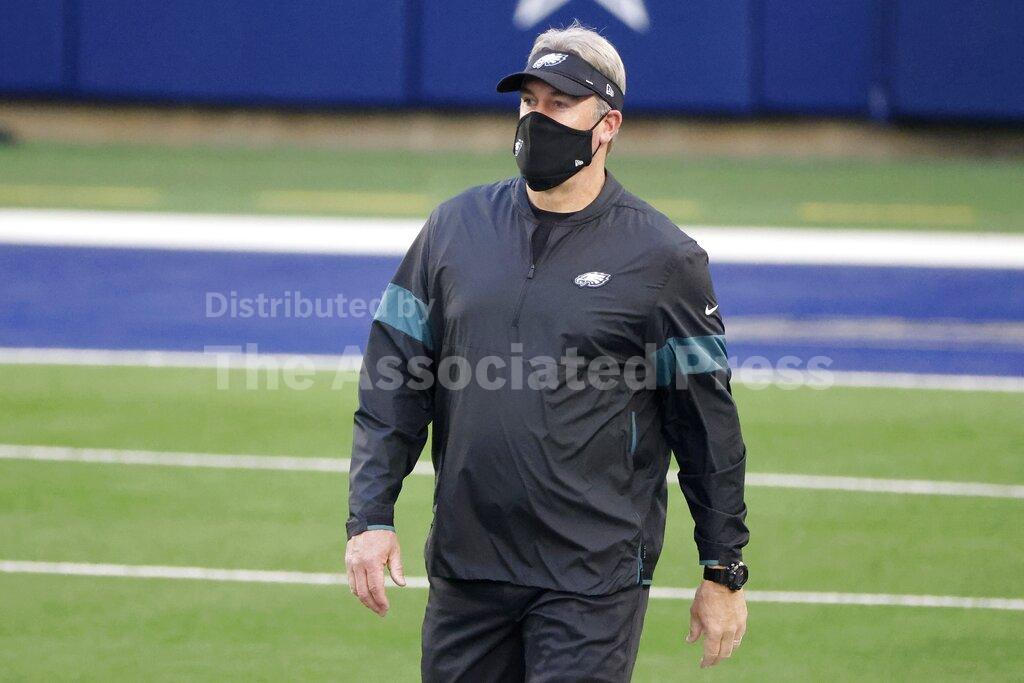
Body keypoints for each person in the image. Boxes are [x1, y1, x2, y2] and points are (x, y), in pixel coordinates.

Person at [345, 22, 750, 681]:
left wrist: (723, 567)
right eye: (529, 102)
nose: (538, 119)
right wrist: (370, 515)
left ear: (607, 124)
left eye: (560, 104)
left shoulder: (663, 258)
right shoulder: (453, 229)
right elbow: (393, 380)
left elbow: (706, 424)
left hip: (590, 580)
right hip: (469, 569)